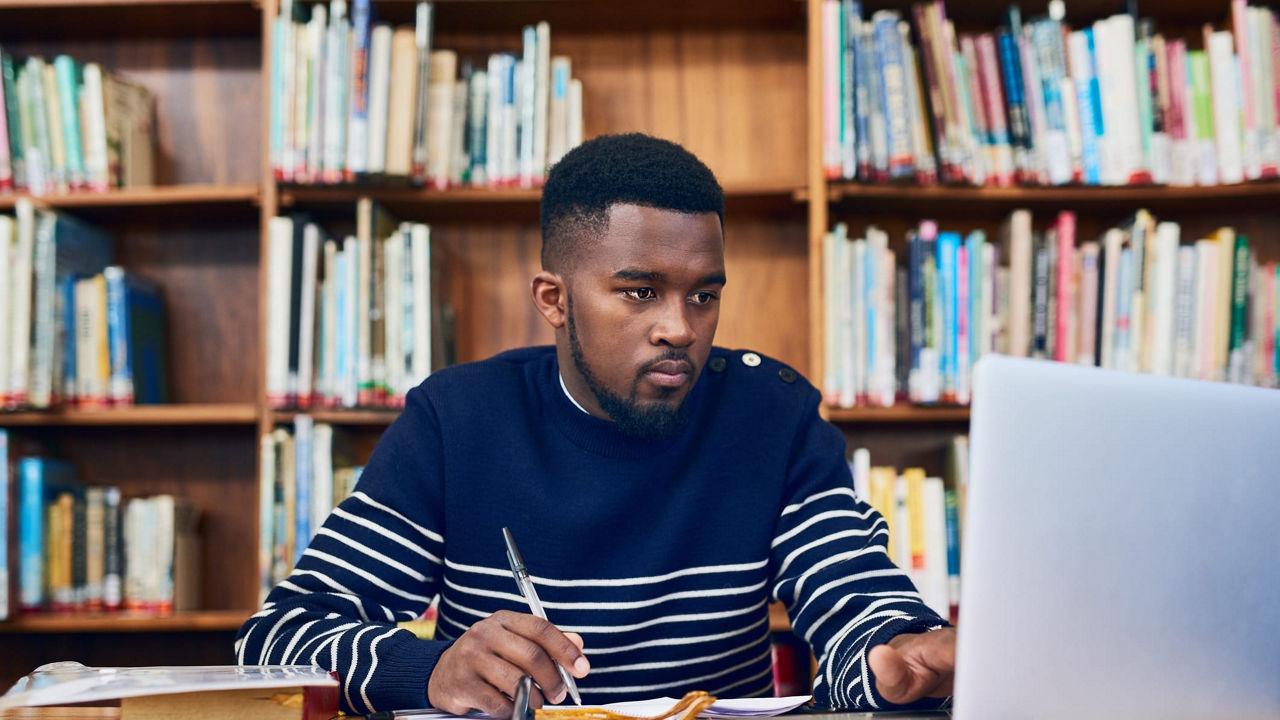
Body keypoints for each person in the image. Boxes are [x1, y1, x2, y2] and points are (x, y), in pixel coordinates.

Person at [235, 133, 956, 716]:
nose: (680, 329)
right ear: (554, 299)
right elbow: (276, 643)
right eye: (640, 292)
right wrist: (432, 670)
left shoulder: (774, 415)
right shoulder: (457, 423)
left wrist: (893, 655)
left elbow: (853, 592)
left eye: (704, 295)